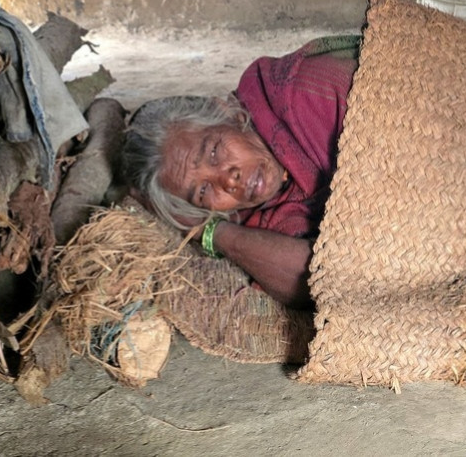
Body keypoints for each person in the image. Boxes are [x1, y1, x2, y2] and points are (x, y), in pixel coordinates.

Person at [122, 36, 359, 309]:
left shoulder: (306, 92)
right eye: (203, 191)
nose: (227, 179)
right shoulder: (256, 219)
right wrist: (212, 232)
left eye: (213, 152)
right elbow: (324, 280)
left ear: (229, 114)